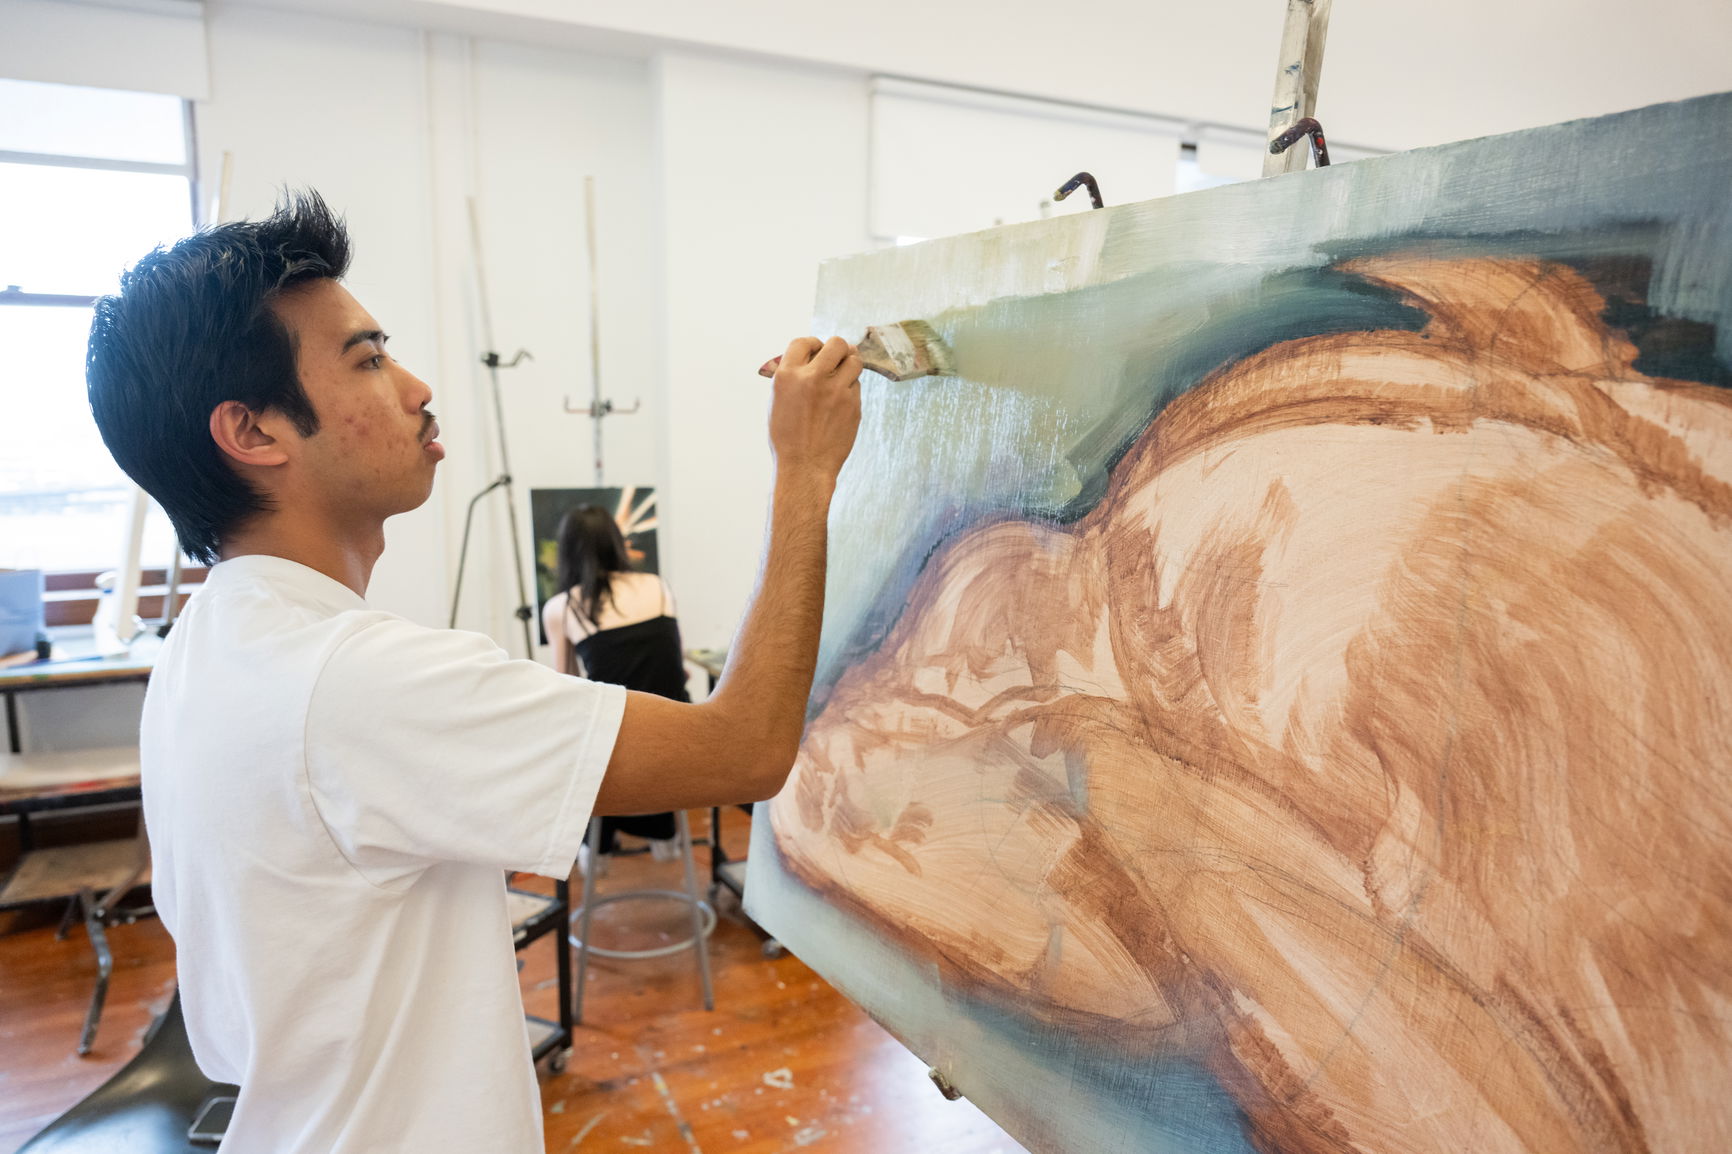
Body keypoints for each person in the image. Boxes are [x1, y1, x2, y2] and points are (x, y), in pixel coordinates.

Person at [84, 191, 861, 1154]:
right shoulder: (354, 680)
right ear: (253, 432)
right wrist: (806, 470)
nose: (415, 387)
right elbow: (745, 751)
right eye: (367, 359)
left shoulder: (207, 644)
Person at [542, 504, 685, 866]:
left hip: (613, 750)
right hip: (676, 738)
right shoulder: (658, 586)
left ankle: (594, 849)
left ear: (569, 550)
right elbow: (676, 669)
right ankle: (663, 837)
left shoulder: (564, 607)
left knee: (571, 737)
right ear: (616, 542)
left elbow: (566, 687)